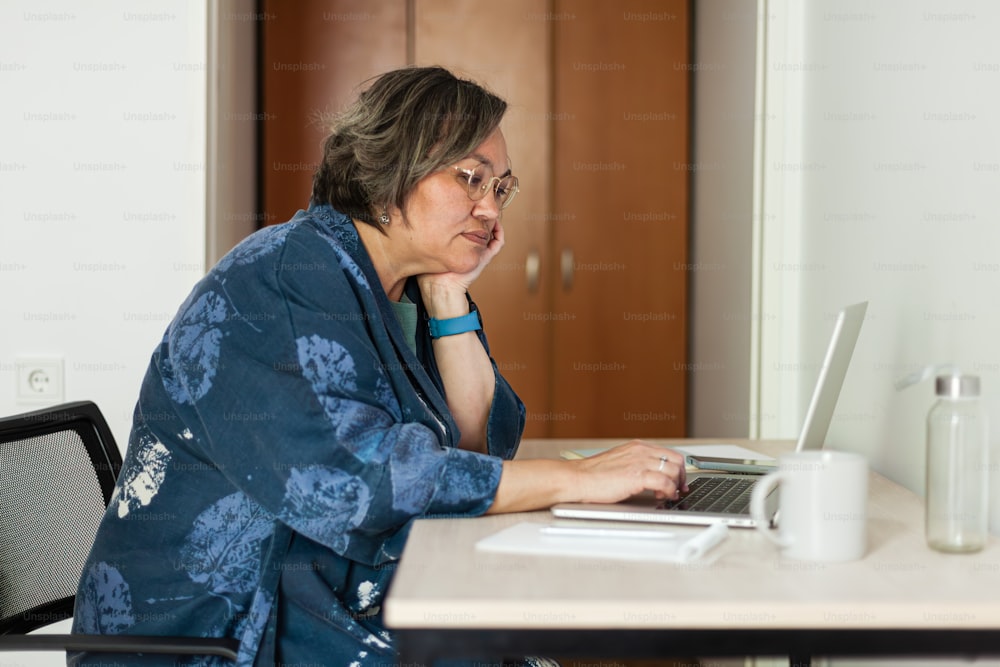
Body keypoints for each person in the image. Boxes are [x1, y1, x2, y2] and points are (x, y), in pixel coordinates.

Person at [70, 65, 687, 667]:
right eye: (471, 179)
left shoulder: (402, 287)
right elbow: (356, 484)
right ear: (390, 175)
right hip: (223, 623)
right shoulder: (283, 278)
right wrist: (578, 480)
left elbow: (476, 448)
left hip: (320, 584)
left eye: (501, 188)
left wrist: (449, 296)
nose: (492, 210)